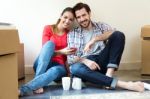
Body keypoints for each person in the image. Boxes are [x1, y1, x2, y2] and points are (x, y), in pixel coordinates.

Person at [67, 2, 145, 92]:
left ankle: (108, 75)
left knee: (119, 35)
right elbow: (71, 58)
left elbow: (115, 34)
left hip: (102, 62)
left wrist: (95, 39)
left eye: (84, 15)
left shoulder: (101, 26)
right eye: (78, 17)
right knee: (75, 68)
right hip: (86, 66)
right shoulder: (73, 33)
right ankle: (124, 84)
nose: (82, 19)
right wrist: (85, 61)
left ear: (89, 13)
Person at [19, 7, 75, 96]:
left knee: (56, 70)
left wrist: (69, 72)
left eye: (71, 19)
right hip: (42, 63)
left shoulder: (70, 34)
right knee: (49, 44)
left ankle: (26, 88)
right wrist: (61, 52)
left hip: (59, 66)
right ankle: (38, 82)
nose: (67, 21)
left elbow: (67, 56)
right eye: (65, 17)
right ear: (61, 16)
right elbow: (45, 51)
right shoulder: (48, 28)